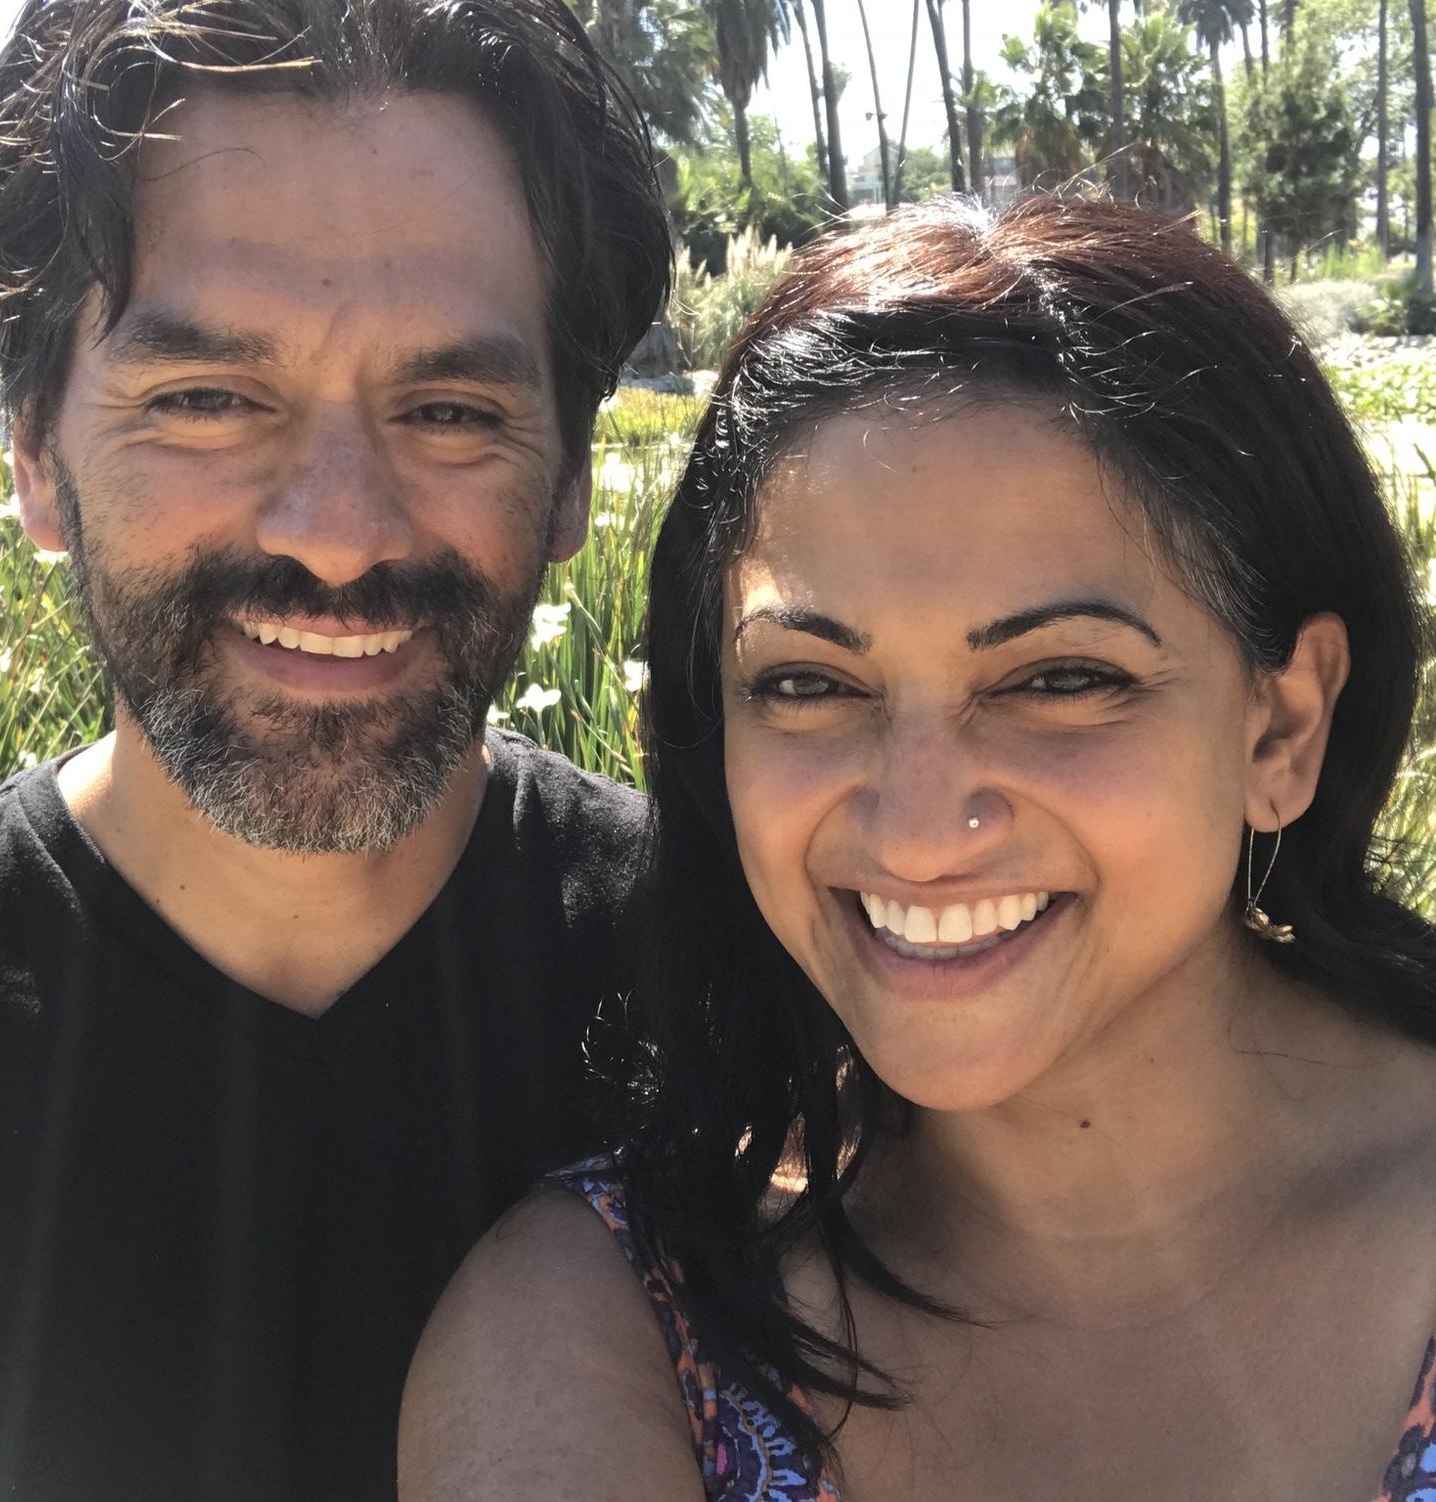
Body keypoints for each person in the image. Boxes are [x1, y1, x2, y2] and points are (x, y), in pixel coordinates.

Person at [400, 193, 1436, 1502]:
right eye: (807, 683)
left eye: (1060, 678)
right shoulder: (596, 1325)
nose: (917, 829)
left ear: (1280, 728)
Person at [0, 2, 670, 1499]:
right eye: (207, 400)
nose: (338, 534)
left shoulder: (755, 1004)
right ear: (34, 456)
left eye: (449, 410)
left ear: (571, 482)